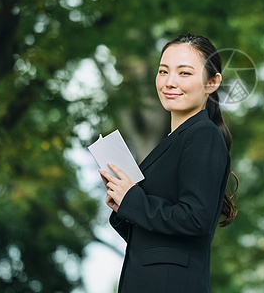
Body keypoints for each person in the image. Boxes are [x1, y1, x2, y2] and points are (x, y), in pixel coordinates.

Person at [99, 33, 238, 293]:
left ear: (212, 82)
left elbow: (196, 219)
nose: (170, 82)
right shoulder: (175, 141)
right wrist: (123, 206)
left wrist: (134, 200)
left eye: (184, 73)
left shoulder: (203, 135)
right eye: (163, 71)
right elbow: (157, 242)